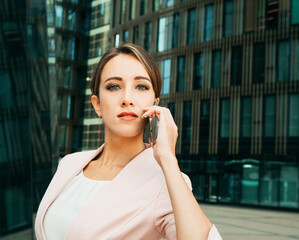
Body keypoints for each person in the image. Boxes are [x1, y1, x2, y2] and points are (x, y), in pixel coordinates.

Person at [35, 43, 222, 240]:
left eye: (141, 86)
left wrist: (168, 158)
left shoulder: (166, 180)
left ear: (154, 105)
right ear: (97, 105)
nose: (127, 99)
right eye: (114, 86)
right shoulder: (70, 163)